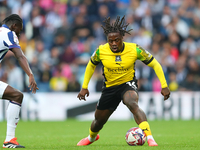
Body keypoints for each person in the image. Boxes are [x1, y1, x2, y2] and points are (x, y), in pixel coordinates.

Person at [77, 16, 170, 146]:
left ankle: (150, 138)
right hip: (109, 87)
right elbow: (91, 65)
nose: (114, 43)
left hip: (128, 84)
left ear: (122, 39)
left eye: (117, 40)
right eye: (110, 41)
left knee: (132, 103)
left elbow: (155, 64)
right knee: (98, 120)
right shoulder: (101, 51)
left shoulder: (134, 49)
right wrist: (84, 86)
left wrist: (164, 85)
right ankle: (91, 137)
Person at [0, 14, 39, 148]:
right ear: (14, 26)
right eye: (20, 30)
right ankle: (9, 139)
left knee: (16, 95)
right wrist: (30, 74)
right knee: (17, 95)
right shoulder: (10, 34)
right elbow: (20, 56)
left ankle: (10, 140)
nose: (19, 33)